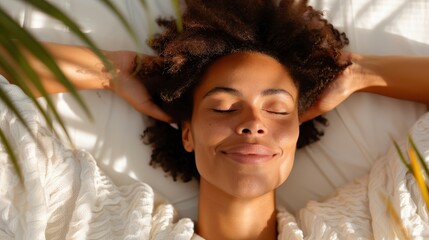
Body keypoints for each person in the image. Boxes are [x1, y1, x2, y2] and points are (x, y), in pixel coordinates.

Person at [1, 0, 429, 239]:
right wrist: (114, 71)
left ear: (297, 133)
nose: (252, 123)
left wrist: (360, 73)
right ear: (187, 132)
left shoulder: (368, 223)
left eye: (278, 109)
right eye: (224, 106)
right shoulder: (100, 220)